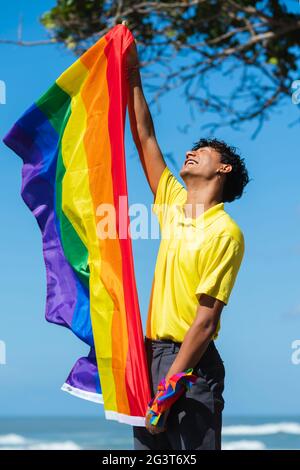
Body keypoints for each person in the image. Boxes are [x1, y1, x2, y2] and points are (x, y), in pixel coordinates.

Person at [126, 38, 250, 450]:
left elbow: (206, 322)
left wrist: (170, 387)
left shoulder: (224, 231)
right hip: (152, 356)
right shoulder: (174, 205)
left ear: (224, 169)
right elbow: (145, 138)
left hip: (191, 366)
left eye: (204, 151)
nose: (192, 152)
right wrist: (131, 73)